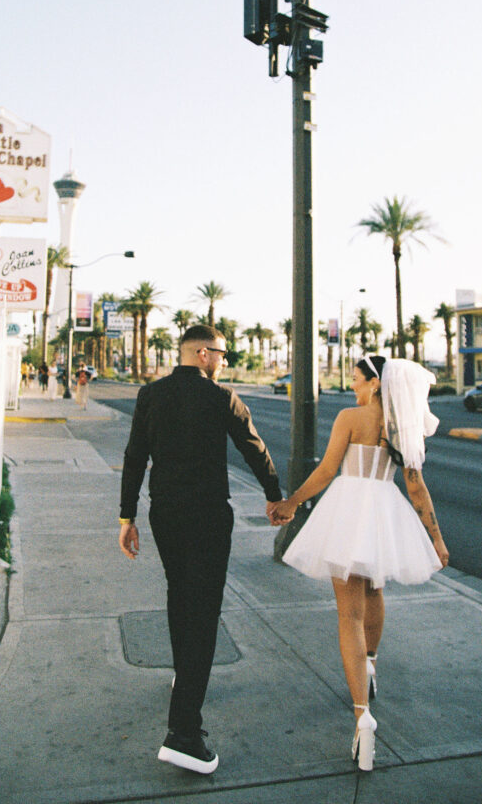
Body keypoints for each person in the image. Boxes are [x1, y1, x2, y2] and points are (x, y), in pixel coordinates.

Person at [119, 324, 283, 775]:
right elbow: (254, 447)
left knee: (179, 597)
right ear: (204, 354)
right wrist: (274, 496)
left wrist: (126, 517)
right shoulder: (220, 397)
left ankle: (183, 682)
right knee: (204, 610)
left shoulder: (150, 395)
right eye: (223, 354)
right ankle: (184, 733)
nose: (225, 361)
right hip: (208, 516)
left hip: (165, 514)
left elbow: (135, 456)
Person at [271, 356, 449, 772]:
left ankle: (361, 716)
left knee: (348, 614)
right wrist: (436, 538)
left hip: (348, 512)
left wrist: (292, 503)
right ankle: (370, 664)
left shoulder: (351, 417)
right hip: (384, 510)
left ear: (374, 383)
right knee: (376, 590)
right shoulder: (402, 427)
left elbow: (328, 470)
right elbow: (416, 487)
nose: (352, 388)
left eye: (355, 380)